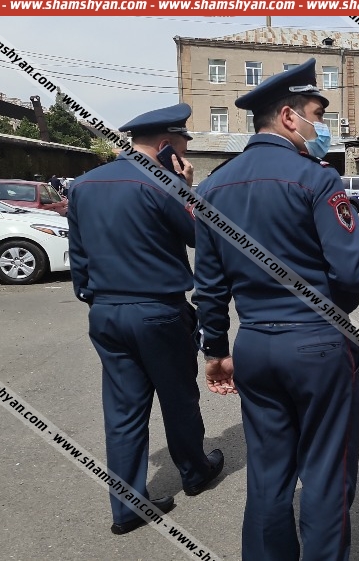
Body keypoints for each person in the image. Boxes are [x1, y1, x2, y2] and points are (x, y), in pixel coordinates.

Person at [193, 59, 359, 560]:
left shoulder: (213, 187)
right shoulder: (316, 180)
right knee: (325, 472)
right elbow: (352, 270)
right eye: (317, 115)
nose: (322, 127)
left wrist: (215, 351)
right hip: (317, 344)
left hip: (255, 344)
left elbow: (210, 287)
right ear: (288, 117)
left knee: (267, 473)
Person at [67, 103, 224, 535]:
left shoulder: (83, 184)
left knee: (122, 412)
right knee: (178, 398)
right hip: (157, 311)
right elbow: (201, 237)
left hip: (105, 312)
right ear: (167, 145)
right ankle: (195, 471)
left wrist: (94, 298)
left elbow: (78, 255)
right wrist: (185, 189)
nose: (185, 155)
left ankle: (126, 508)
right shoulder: (163, 184)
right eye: (183, 146)